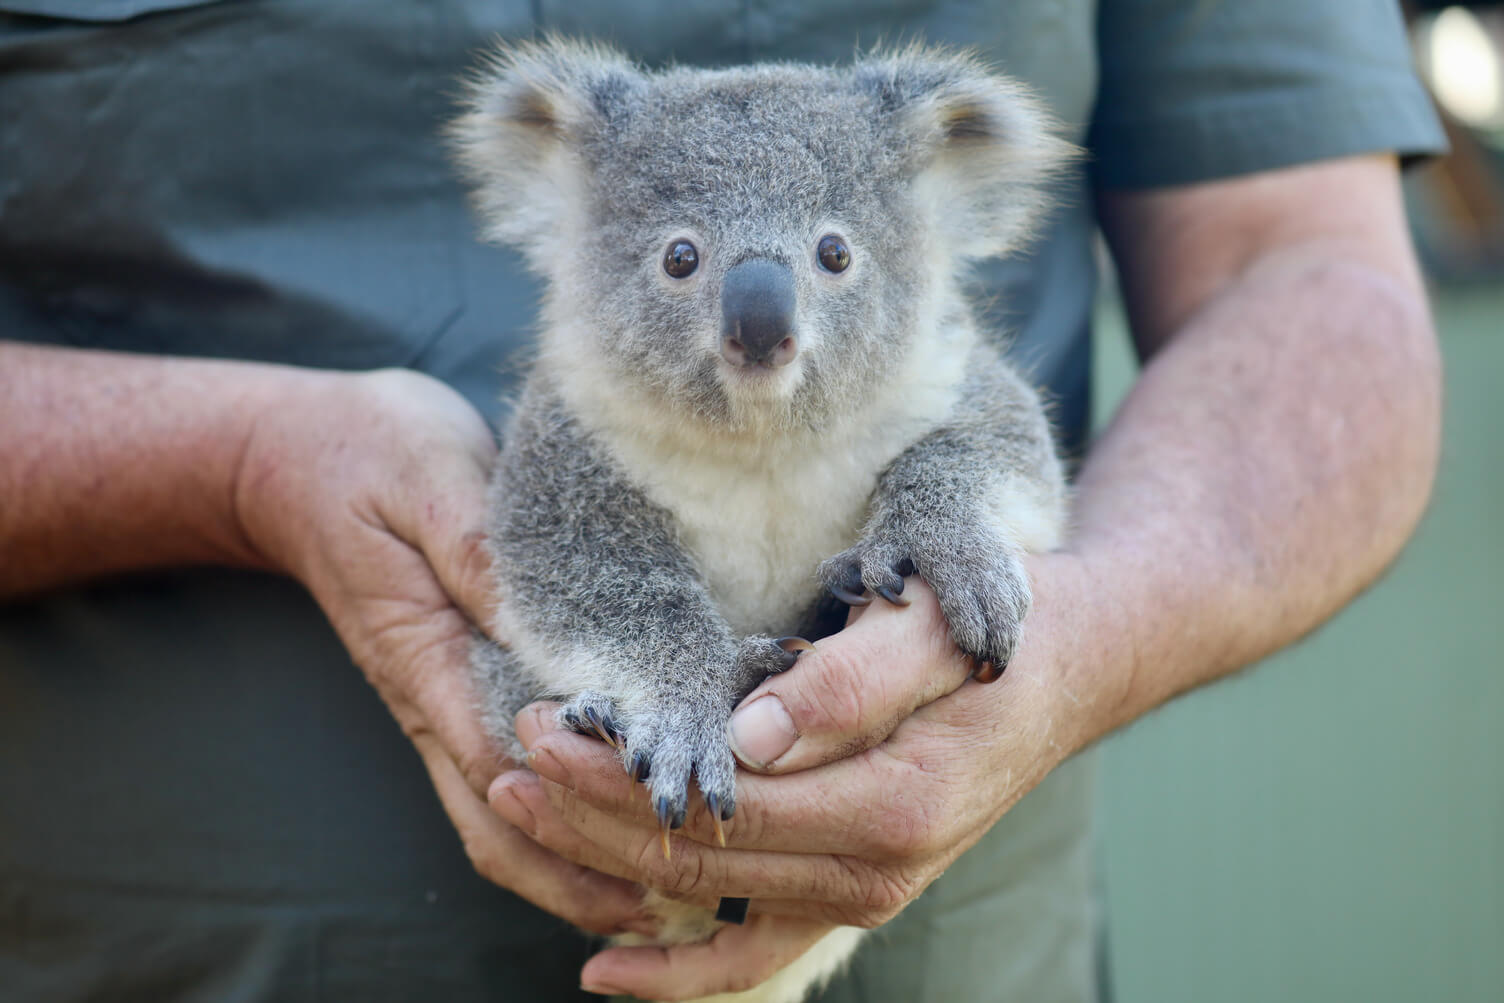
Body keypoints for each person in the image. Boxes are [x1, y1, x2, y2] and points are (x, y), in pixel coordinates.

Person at [0, 2, 1442, 1000]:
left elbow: (1307, 283)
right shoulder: (584, 404)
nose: (762, 308)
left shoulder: (937, 371)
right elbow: (566, 565)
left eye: (827, 255)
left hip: (950, 956)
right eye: (682, 260)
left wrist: (1088, 633)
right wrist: (241, 459)